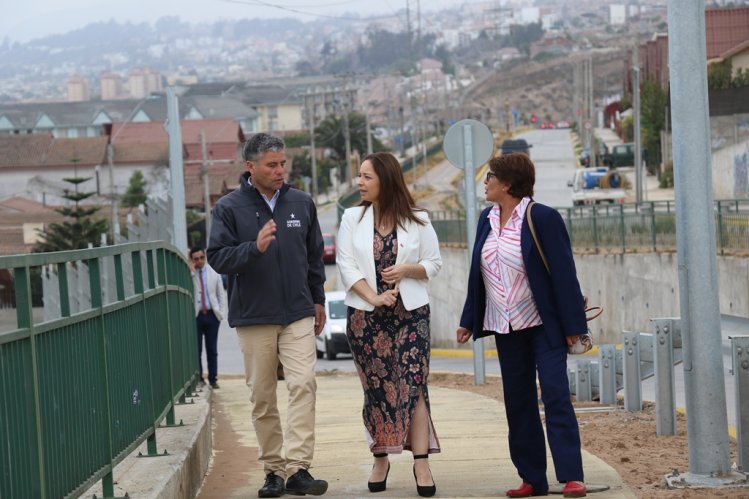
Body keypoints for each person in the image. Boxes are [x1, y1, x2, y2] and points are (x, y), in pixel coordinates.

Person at [456, 153, 588, 499]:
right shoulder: (487, 218)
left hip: (543, 325)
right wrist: (469, 320)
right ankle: (532, 477)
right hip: (504, 326)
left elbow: (563, 275)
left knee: (556, 395)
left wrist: (574, 326)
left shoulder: (541, 217)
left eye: (490, 177)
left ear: (508, 184)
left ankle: (571, 476)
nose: (485, 182)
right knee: (518, 402)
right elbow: (479, 273)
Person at [207, 133, 328, 498]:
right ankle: (273, 470)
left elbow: (314, 256)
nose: (280, 171)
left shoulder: (301, 203)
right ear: (251, 167)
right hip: (254, 316)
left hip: (297, 313)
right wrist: (254, 248)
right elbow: (217, 257)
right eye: (272, 165)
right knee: (262, 396)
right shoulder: (228, 208)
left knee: (304, 383)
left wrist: (318, 299)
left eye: (283, 163)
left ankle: (299, 468)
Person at [336, 152, 442, 497]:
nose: (359, 183)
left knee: (414, 384)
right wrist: (374, 297)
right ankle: (380, 457)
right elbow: (347, 266)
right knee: (377, 391)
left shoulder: (418, 219)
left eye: (367, 177)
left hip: (411, 315)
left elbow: (433, 263)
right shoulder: (352, 217)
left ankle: (421, 462)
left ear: (386, 180)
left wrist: (406, 270)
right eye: (360, 176)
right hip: (366, 319)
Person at [190, 247, 228, 389]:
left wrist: (221, 314)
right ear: (192, 260)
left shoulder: (214, 273)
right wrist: (192, 272)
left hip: (212, 316)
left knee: (212, 349)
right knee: (197, 349)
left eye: (201, 257)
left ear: (204, 257)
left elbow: (221, 294)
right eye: (196, 259)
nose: (199, 261)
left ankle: (213, 379)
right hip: (197, 316)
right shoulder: (191, 274)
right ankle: (199, 378)